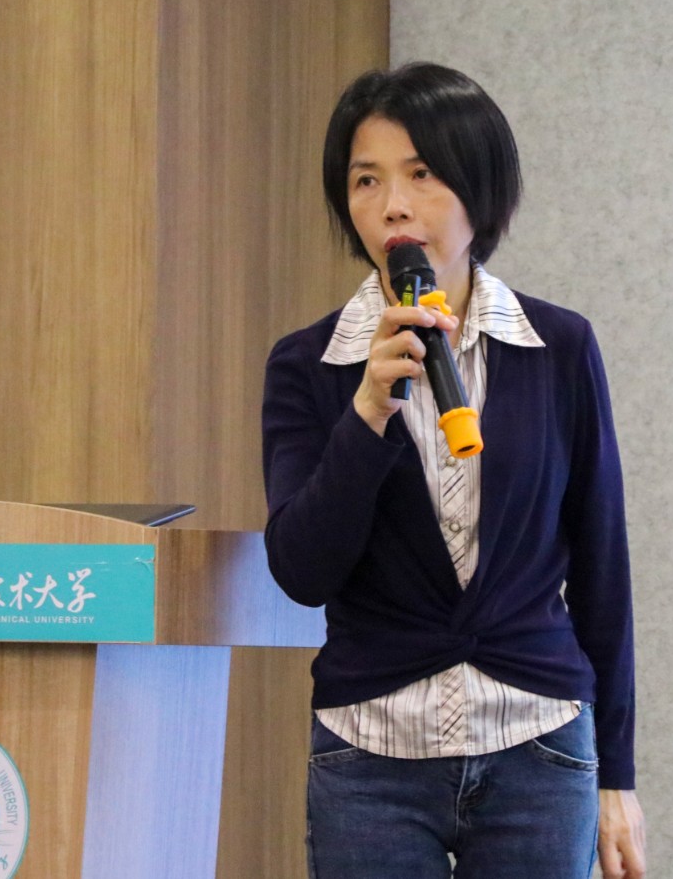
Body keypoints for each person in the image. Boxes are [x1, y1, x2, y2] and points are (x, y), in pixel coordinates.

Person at [262, 63, 646, 879]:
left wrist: (617, 775)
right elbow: (301, 571)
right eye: (366, 180)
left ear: (480, 191)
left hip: (539, 746)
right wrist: (367, 414)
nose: (393, 206)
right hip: (368, 757)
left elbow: (602, 568)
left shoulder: (558, 347)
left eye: (422, 174)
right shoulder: (308, 364)